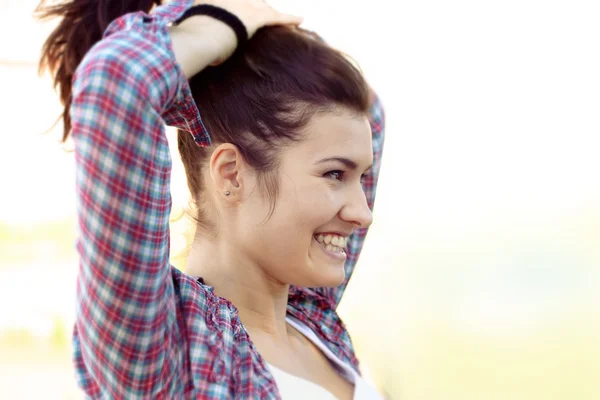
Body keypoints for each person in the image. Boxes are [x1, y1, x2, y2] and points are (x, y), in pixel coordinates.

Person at [38, 0, 385, 398]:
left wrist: (262, 35)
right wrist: (218, 24)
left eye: (360, 177)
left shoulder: (312, 318)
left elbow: (368, 114)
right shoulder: (165, 353)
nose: (363, 214)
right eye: (335, 174)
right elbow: (116, 81)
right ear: (231, 174)